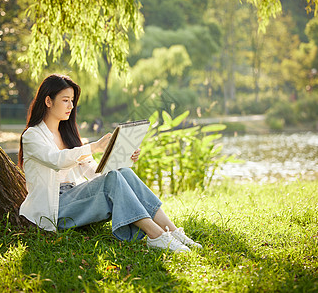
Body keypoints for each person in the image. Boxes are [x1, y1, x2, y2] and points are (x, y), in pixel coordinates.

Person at [18, 74, 202, 253]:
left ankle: (173, 231)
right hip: (54, 207)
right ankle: (156, 235)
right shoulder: (32, 136)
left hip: (76, 197)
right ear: (48, 101)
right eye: (65, 100)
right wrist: (94, 147)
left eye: (72, 101)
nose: (71, 106)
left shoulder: (69, 136)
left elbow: (94, 172)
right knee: (114, 176)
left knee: (122, 172)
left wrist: (120, 158)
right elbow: (55, 160)